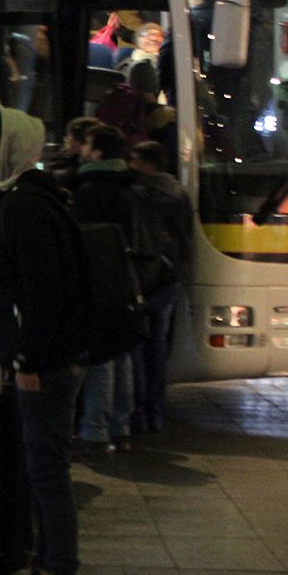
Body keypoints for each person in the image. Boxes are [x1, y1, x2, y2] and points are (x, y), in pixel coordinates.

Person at [0, 106, 86, 575]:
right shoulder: (22, 199)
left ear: (9, 148)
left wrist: (28, 358)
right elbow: (27, 275)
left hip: (46, 361)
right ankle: (39, 567)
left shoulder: (25, 206)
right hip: (46, 354)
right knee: (37, 468)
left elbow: (44, 290)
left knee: (47, 471)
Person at [67, 123, 139, 455]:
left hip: (98, 277)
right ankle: (120, 427)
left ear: (97, 152)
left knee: (99, 355)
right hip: (125, 276)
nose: (83, 149)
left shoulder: (90, 189)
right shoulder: (128, 185)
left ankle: (94, 429)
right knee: (122, 351)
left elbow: (82, 239)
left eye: (89, 145)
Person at [126, 140, 191, 434]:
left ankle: (138, 412)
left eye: (135, 158)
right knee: (157, 345)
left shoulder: (139, 194)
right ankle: (156, 411)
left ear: (148, 164)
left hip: (147, 276)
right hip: (170, 277)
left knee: (138, 346)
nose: (130, 164)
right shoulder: (179, 192)